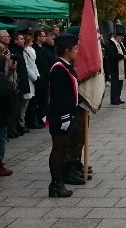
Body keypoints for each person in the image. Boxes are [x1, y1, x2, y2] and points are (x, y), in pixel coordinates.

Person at [46, 34, 81, 198]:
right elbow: (59, 96)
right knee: (59, 149)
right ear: (66, 50)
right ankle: (56, 184)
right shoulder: (58, 68)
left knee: (63, 147)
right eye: (75, 49)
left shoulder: (66, 65)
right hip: (60, 116)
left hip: (66, 114)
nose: (77, 51)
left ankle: (57, 182)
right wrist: (65, 116)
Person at [104, 32, 126, 105]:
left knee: (120, 84)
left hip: (121, 67)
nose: (122, 39)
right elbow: (112, 56)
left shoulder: (120, 44)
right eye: (121, 37)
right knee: (115, 84)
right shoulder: (112, 45)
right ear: (116, 37)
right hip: (115, 67)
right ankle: (114, 99)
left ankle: (118, 97)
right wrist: (122, 56)